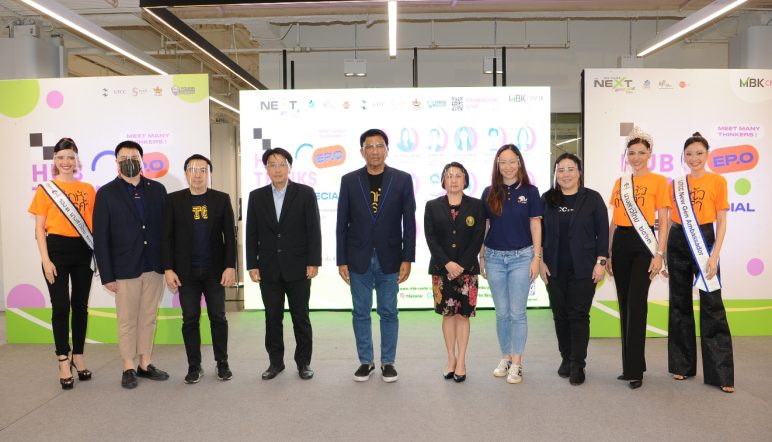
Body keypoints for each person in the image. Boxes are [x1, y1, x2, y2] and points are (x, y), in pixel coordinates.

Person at [336, 128, 416, 383]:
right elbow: (341, 223)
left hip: (390, 257)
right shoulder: (349, 180)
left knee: (389, 311)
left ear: (387, 150)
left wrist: (407, 258)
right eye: (369, 146)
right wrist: (341, 259)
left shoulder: (402, 179)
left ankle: (388, 362)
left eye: (379, 146)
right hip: (357, 257)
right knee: (360, 312)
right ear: (362, 151)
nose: (374, 151)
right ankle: (366, 361)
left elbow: (409, 223)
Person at [93, 140, 170, 389]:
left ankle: (145, 364)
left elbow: (166, 231)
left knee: (148, 317)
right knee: (127, 320)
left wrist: (169, 265)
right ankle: (128, 366)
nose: (129, 162)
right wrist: (107, 275)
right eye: (124, 158)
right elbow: (100, 237)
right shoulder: (106, 193)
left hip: (153, 265)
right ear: (116, 163)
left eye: (134, 157)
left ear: (141, 160)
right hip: (124, 268)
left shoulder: (157, 190)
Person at [665, 132, 734, 393]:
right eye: (689, 154)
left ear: (707, 155)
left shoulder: (718, 181)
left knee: (712, 304)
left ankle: (721, 374)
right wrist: (664, 253)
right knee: (679, 303)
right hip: (677, 240)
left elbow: (722, 220)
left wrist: (715, 255)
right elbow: (669, 219)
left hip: (704, 240)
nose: (694, 158)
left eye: (699, 153)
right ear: (683, 156)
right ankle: (682, 366)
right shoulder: (676, 184)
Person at [246, 148, 321, 381]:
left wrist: (314, 261)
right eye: (272, 165)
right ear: (266, 169)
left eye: (281, 164)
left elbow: (313, 230)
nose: (277, 169)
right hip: (268, 268)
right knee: (272, 318)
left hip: (298, 267)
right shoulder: (256, 196)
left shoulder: (305, 193)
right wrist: (252, 264)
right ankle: (275, 363)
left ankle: (304, 363)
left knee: (301, 317)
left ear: (289, 167)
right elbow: (251, 233)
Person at [28, 137, 96, 389]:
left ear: (76, 160)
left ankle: (78, 355)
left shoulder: (88, 189)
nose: (65, 162)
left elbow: (94, 224)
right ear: (54, 161)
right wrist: (45, 260)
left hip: (83, 251)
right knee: (60, 307)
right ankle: (63, 360)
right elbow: (39, 228)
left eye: (70, 157)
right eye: (60, 157)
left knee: (80, 307)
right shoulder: (45, 189)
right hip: (55, 251)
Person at [162, 154, 236, 384]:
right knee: (190, 320)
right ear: (186, 174)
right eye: (193, 170)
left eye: (203, 170)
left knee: (218, 318)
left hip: (215, 271)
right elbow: (166, 238)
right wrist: (168, 269)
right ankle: (194, 366)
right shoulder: (173, 200)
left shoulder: (221, 199)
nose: (198, 175)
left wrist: (230, 266)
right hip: (186, 273)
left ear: (209, 174)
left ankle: (222, 363)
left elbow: (230, 237)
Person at [606, 127, 669, 390]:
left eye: (641, 152)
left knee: (637, 304)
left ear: (649, 154)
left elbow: (664, 221)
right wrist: (608, 253)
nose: (636, 157)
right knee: (624, 304)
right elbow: (614, 221)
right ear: (627, 156)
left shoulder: (659, 181)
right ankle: (631, 366)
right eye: (631, 153)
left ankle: (635, 370)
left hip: (644, 245)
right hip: (621, 242)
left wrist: (660, 254)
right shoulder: (621, 182)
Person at [539, 153, 608, 386]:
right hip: (553, 268)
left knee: (578, 315)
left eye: (570, 169)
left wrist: (601, 262)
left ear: (579, 172)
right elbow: (539, 234)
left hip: (584, 268)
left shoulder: (592, 198)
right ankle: (566, 358)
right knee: (560, 315)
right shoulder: (547, 199)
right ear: (555, 174)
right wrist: (540, 261)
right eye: (561, 170)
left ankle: (578, 363)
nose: (565, 174)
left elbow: (603, 232)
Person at [480, 144, 543, 385]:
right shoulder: (489, 192)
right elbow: (485, 227)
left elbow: (535, 225)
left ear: (519, 163)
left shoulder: (530, 191)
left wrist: (536, 258)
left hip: (522, 257)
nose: (508, 166)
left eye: (512, 161)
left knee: (517, 313)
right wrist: (482, 257)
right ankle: (505, 357)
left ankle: (517, 362)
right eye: (503, 162)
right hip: (494, 258)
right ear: (497, 165)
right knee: (502, 313)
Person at [424, 162, 485, 383]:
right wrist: (447, 264)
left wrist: (462, 265)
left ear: (465, 180)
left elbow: (478, 237)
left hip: (467, 271)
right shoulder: (432, 206)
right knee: (448, 315)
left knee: (463, 315)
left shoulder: (476, 206)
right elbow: (430, 238)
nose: (454, 179)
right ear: (443, 180)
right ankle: (451, 359)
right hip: (442, 270)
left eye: (458, 175)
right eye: (449, 175)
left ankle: (462, 362)